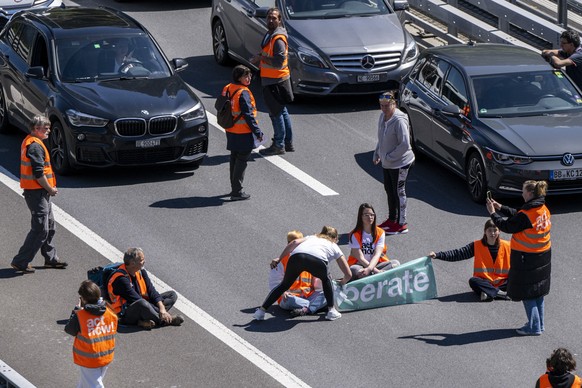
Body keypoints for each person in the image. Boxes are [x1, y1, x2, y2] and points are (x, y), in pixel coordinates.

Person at [486, 180, 551, 336]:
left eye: (523, 191)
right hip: (542, 257)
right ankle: (539, 324)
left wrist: (492, 213)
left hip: (526, 258)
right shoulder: (541, 208)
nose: (521, 193)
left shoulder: (527, 214)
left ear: (529, 194)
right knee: (538, 291)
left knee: (526, 292)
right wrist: (500, 207)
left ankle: (533, 327)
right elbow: (519, 215)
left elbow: (509, 226)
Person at [254, 226, 352, 321]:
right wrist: (342, 283)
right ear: (334, 238)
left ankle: (261, 311)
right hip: (317, 261)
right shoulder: (333, 245)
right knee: (327, 280)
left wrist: (280, 258)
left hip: (296, 257)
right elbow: (348, 274)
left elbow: (295, 242)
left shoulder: (311, 237)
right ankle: (331, 311)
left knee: (284, 284)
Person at [11, 116, 67, 273]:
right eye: (46, 128)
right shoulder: (35, 146)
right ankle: (20, 261)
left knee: (49, 226)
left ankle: (51, 259)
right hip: (37, 192)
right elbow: (38, 174)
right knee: (40, 229)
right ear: (36, 129)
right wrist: (50, 189)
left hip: (39, 192)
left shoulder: (34, 142)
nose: (49, 130)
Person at [428, 219, 511, 302]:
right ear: (485, 232)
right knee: (473, 281)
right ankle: (498, 293)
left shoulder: (507, 246)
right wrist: (438, 255)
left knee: (516, 278)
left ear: (499, 231)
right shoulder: (476, 245)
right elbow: (458, 254)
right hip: (484, 282)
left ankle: (489, 293)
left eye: (495, 230)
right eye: (489, 230)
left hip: (502, 282)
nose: (492, 233)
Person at [251, 7, 295, 156]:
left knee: (275, 113)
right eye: (269, 17)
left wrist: (261, 58)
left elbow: (278, 61)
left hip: (275, 81)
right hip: (277, 79)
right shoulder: (272, 34)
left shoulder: (278, 39)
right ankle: (287, 142)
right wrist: (260, 56)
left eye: (274, 18)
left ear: (279, 20)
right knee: (282, 111)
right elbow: (268, 53)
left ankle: (278, 145)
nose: (270, 20)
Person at [107, 247, 184, 330]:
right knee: (143, 304)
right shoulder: (121, 280)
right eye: (142, 260)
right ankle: (166, 320)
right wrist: (160, 311)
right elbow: (136, 299)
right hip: (125, 313)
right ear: (133, 263)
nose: (144, 261)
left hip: (143, 303)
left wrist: (162, 309)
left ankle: (146, 320)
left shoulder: (141, 271)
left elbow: (152, 291)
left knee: (172, 295)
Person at [373, 91, 415, 235]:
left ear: (394, 104)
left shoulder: (399, 120)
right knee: (389, 190)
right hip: (388, 163)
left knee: (399, 192)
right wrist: (377, 152)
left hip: (400, 163)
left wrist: (389, 157)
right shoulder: (382, 117)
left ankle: (402, 224)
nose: (384, 109)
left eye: (387, 106)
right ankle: (392, 219)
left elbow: (405, 144)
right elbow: (381, 137)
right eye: (381, 106)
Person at [221, 65, 264, 201]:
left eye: (250, 75)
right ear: (239, 78)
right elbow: (248, 115)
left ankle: (234, 188)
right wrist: (257, 132)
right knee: (242, 161)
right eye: (246, 76)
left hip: (230, 129)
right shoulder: (243, 92)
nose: (249, 78)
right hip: (243, 132)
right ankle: (237, 191)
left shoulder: (228, 88)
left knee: (234, 158)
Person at [65, 280, 118, 388]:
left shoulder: (81, 315)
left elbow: (69, 329)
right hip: (106, 356)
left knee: (94, 385)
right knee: (86, 384)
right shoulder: (110, 312)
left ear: (83, 299)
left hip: (89, 359)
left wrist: (76, 310)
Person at [268, 230, 326, 317]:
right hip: (290, 297)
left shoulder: (309, 258)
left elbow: (317, 284)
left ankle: (307, 308)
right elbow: (274, 282)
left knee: (328, 294)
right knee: (291, 300)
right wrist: (283, 293)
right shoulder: (282, 261)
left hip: (308, 295)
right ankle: (315, 306)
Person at [347, 203, 400, 281]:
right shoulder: (354, 234)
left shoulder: (380, 232)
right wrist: (375, 271)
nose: (370, 217)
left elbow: (377, 254)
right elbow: (360, 258)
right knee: (354, 270)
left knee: (396, 264)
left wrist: (371, 269)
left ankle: (374, 277)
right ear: (361, 217)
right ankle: (381, 277)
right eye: (366, 215)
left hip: (376, 264)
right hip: (360, 265)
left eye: (372, 215)